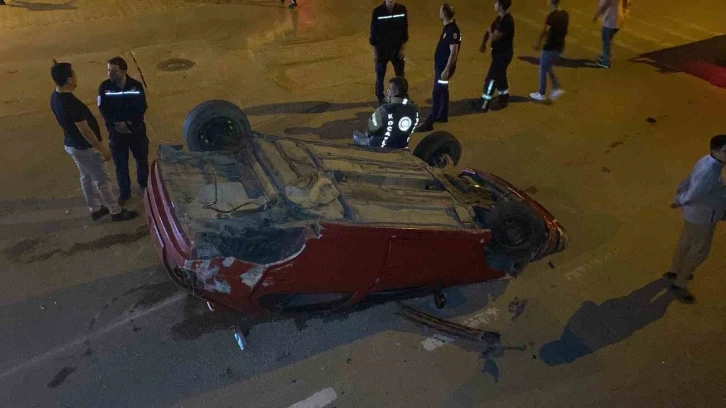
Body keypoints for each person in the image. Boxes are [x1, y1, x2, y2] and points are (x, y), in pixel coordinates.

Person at [49, 62, 138, 222]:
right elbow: (86, 131)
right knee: (102, 180)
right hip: (85, 148)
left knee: (86, 177)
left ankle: (95, 209)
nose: (76, 77)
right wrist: (102, 149)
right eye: (74, 74)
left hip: (71, 144)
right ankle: (115, 211)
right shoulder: (71, 103)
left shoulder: (54, 97)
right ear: (69, 79)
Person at [666, 135, 726, 303]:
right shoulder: (710, 172)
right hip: (704, 217)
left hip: (693, 214)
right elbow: (694, 194)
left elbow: (689, 179)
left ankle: (674, 269)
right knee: (700, 250)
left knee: (686, 240)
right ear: (715, 151)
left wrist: (679, 198)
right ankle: (680, 282)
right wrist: (681, 200)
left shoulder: (705, 161)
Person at [98, 56, 149, 206]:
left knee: (141, 159)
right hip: (117, 134)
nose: (110, 74)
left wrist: (128, 123)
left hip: (136, 131)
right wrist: (117, 124)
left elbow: (141, 107)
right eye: (108, 70)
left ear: (124, 71)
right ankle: (124, 192)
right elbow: (103, 109)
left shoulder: (135, 86)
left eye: (114, 71)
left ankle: (144, 185)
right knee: (120, 164)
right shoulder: (105, 87)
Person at [415, 3, 460, 133]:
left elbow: (453, 52)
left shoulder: (452, 30)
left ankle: (430, 122)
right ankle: (443, 114)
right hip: (441, 67)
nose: (439, 13)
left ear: (444, 14)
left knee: (436, 93)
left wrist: (446, 70)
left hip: (444, 69)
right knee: (443, 90)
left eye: (440, 11)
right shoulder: (448, 28)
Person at [353, 76, 420, 149]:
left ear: (396, 92)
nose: (387, 91)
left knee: (355, 135)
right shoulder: (415, 110)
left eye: (390, 89)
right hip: (402, 146)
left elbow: (370, 130)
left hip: (381, 147)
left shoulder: (385, 109)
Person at [370, 0, 409, 107]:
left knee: (400, 76)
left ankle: (401, 96)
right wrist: (375, 51)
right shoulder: (378, 12)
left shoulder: (401, 10)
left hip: (396, 49)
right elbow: (373, 32)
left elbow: (404, 30)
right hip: (382, 50)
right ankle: (380, 98)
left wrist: (402, 49)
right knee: (380, 76)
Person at [478, 0, 515, 112]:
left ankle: (484, 103)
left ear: (501, 6)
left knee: (491, 79)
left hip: (503, 55)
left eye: (496, 2)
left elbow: (494, 37)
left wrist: (490, 31)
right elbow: (489, 31)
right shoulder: (500, 19)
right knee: (500, 76)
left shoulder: (507, 21)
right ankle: (504, 98)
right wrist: (483, 43)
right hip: (498, 54)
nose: (494, 4)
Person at [530, 0, 568, 101]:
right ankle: (556, 87)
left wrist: (538, 42)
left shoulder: (551, 16)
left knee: (543, 68)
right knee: (547, 66)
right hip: (559, 46)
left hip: (550, 47)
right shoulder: (565, 14)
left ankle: (541, 93)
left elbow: (545, 30)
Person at [592, 0, 629, 68]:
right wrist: (624, 10)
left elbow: (604, 6)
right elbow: (625, 3)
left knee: (606, 41)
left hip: (610, 22)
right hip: (618, 20)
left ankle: (605, 61)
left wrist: (596, 15)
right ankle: (606, 56)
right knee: (610, 39)